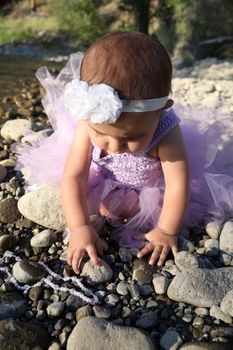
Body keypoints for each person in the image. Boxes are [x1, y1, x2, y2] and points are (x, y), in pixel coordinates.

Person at [13, 32, 233, 275]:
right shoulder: (87, 124)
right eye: (102, 134)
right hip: (104, 177)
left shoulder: (166, 132)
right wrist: (79, 227)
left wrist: (166, 230)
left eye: (131, 138)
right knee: (93, 203)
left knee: (139, 208)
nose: (114, 146)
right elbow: (74, 176)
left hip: (150, 184)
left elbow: (176, 185)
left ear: (160, 111)